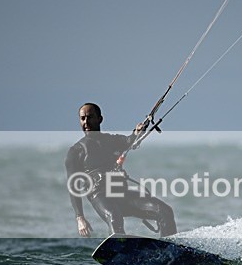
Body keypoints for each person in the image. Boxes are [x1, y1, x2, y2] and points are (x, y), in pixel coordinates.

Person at [65, 102, 177, 238]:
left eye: (90, 117)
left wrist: (137, 131)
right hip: (99, 195)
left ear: (100, 119)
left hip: (121, 192)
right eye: (83, 118)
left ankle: (170, 249)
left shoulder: (111, 140)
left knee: (164, 211)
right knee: (114, 217)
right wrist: (80, 218)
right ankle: (119, 252)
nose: (86, 122)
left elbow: (130, 140)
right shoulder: (76, 151)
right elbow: (73, 187)